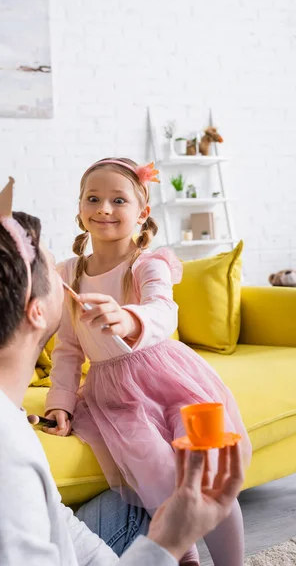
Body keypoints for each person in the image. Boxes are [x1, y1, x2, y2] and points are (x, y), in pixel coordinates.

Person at [0, 188, 244, 565]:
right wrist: (166, 544)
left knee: (138, 499)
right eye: (52, 273)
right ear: (37, 311)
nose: (65, 279)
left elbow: (54, 518)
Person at [44, 157, 252, 566]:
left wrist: (128, 317)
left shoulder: (147, 263)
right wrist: (60, 402)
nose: (104, 208)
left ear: (142, 213)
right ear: (81, 209)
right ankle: (183, 554)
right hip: (115, 395)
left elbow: (163, 309)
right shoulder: (69, 272)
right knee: (157, 474)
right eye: (94, 198)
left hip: (170, 378)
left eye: (118, 200)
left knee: (209, 471)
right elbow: (68, 348)